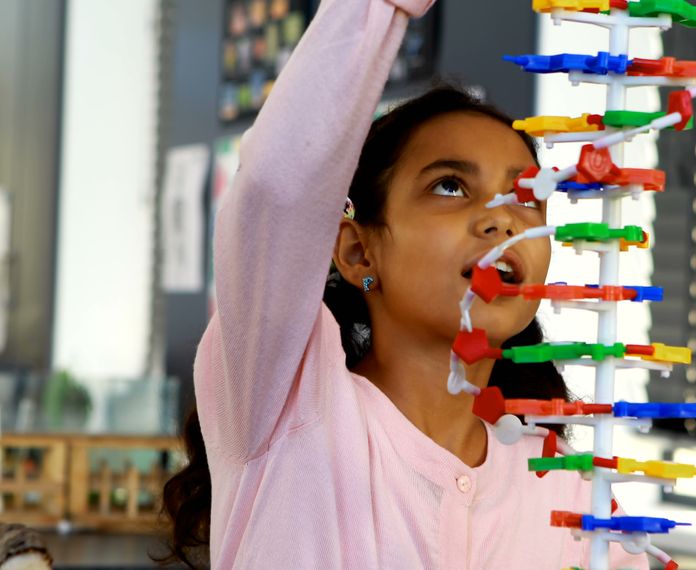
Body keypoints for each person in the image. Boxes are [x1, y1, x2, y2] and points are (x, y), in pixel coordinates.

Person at [160, 0, 649, 568]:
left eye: (526, 197)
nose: (502, 220)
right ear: (358, 249)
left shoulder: (566, 485)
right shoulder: (289, 404)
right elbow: (277, 186)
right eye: (448, 186)